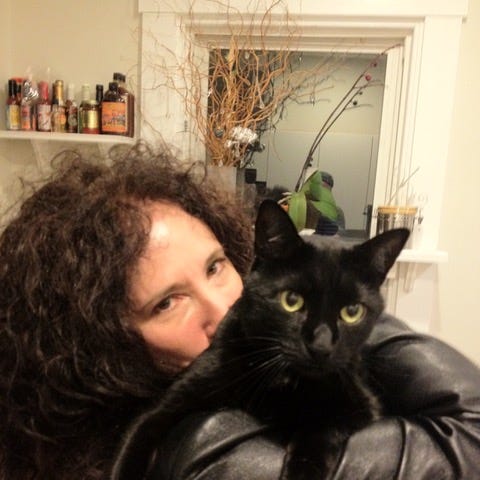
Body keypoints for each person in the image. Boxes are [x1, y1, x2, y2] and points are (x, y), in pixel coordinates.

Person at [0, 144, 479, 480]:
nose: (223, 306)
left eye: (216, 266)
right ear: (104, 341)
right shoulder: (208, 453)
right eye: (167, 302)